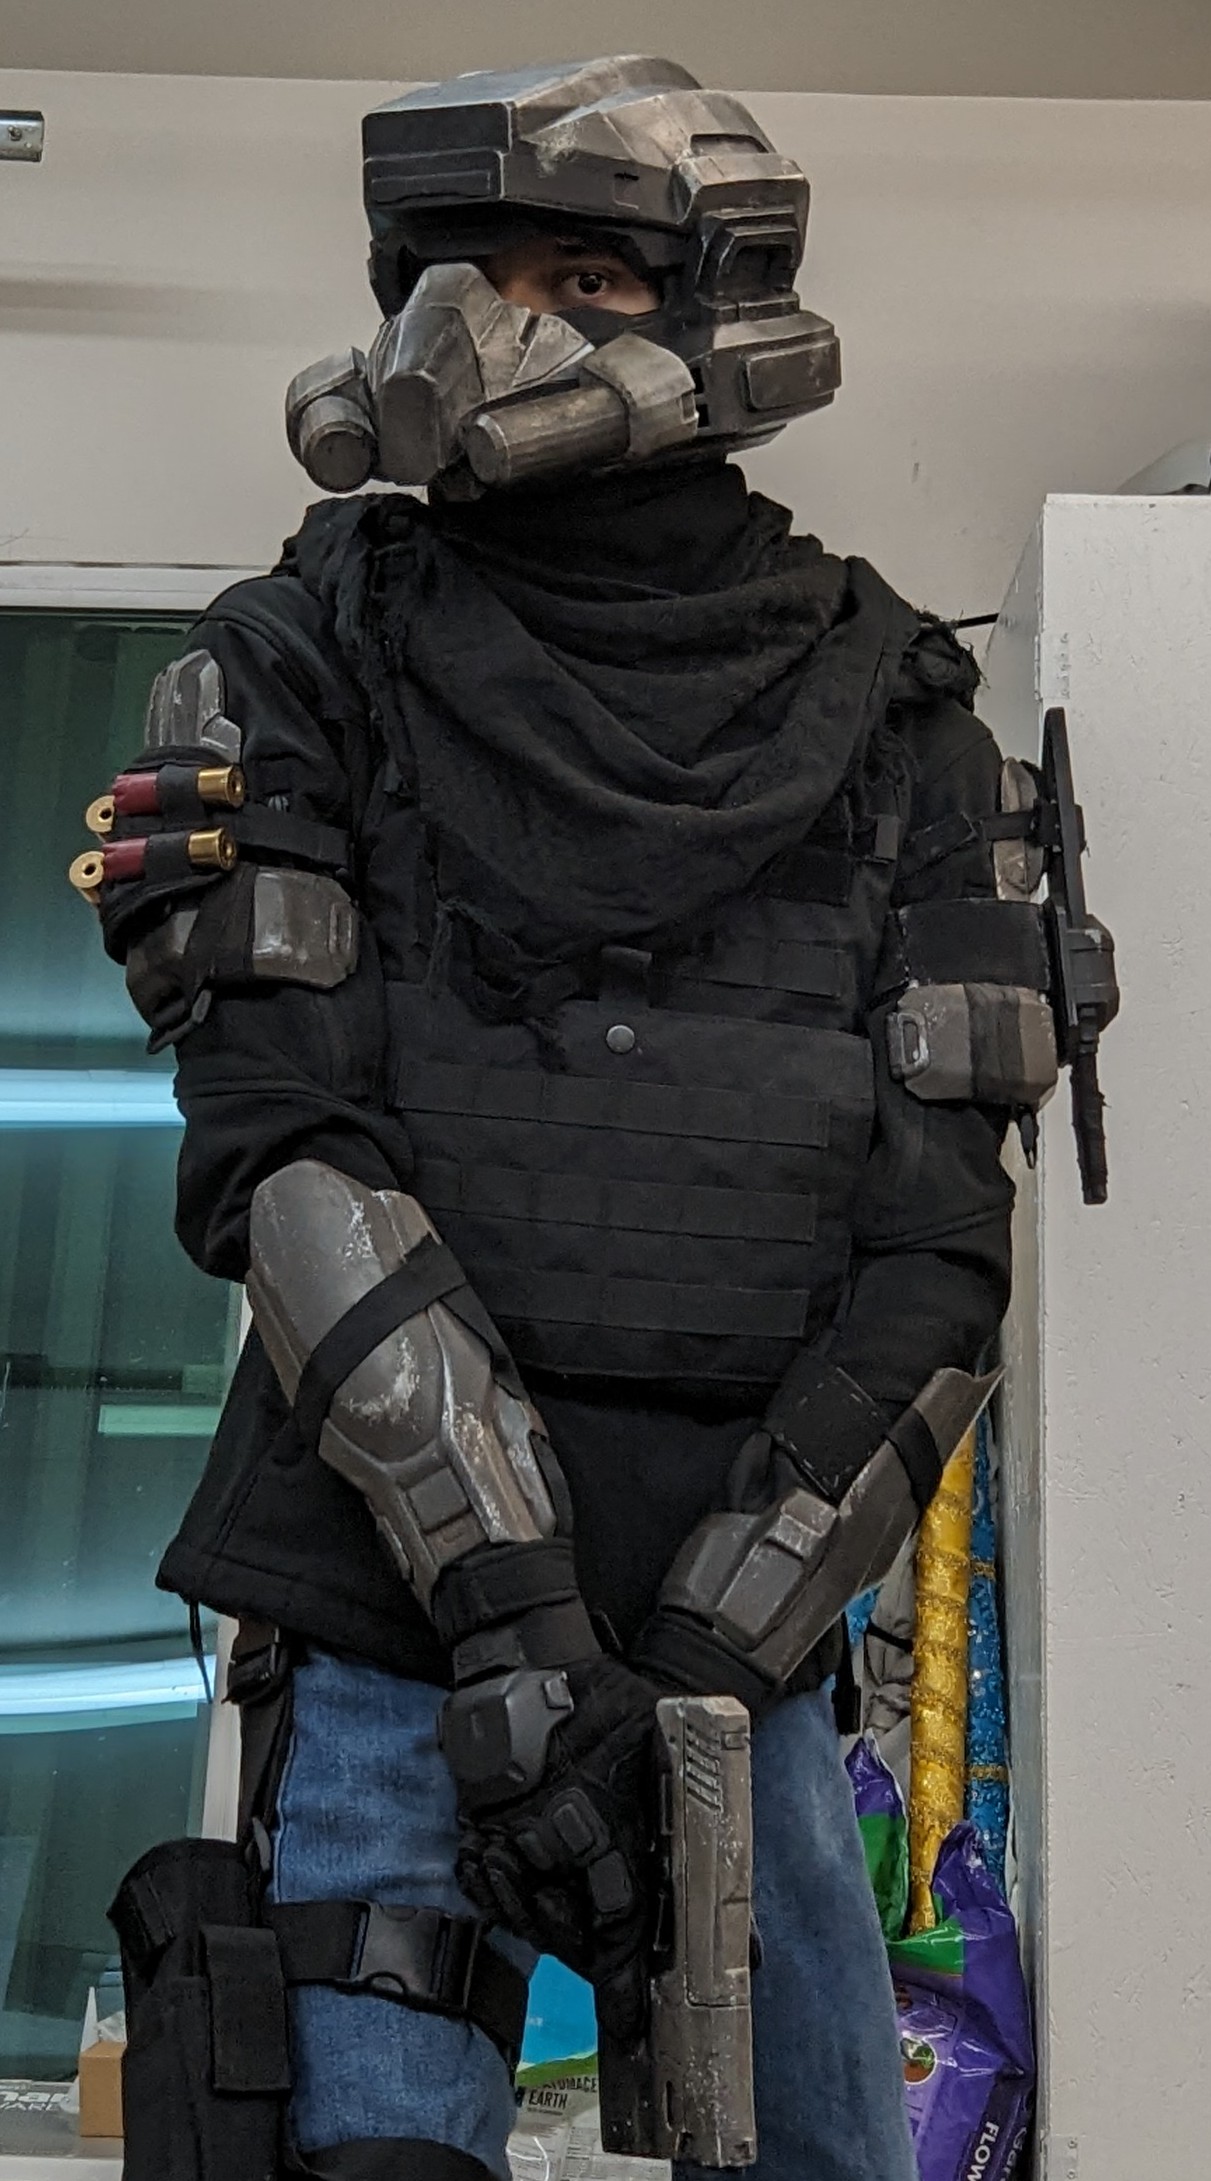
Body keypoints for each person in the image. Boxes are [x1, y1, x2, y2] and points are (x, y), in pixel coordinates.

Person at [88, 56, 1055, 2181]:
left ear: (719, 308)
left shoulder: (906, 714)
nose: (491, 329)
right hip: (391, 1608)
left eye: (579, 278)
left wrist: (706, 1645)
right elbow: (285, 1151)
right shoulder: (304, 649)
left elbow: (937, 1255)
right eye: (462, 272)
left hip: (746, 1641)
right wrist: (514, 1627)